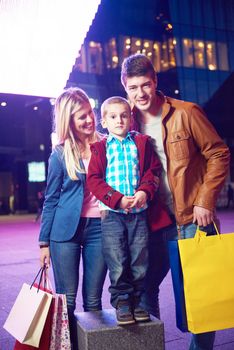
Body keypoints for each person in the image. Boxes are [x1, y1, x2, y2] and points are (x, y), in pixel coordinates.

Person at [120, 54, 230, 349]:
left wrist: (206, 200)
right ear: (125, 88)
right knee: (143, 289)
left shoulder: (186, 112)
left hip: (193, 217)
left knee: (202, 297)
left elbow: (218, 153)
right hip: (152, 221)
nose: (140, 93)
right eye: (133, 88)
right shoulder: (126, 122)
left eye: (145, 85)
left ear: (155, 82)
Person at [87, 96, 168, 325]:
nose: (119, 120)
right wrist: (117, 199)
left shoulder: (140, 143)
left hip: (139, 213)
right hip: (112, 215)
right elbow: (94, 180)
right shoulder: (101, 148)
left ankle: (140, 300)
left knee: (139, 258)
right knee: (117, 259)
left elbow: (152, 172)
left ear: (131, 118)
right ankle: (122, 301)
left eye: (124, 115)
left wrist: (144, 192)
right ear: (104, 121)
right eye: (113, 117)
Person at [39, 87, 107, 350]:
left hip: (99, 230)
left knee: (93, 300)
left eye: (90, 113)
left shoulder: (105, 145)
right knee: (66, 301)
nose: (90, 120)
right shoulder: (59, 154)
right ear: (69, 121)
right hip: (63, 233)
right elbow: (51, 199)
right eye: (82, 117)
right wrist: (43, 242)